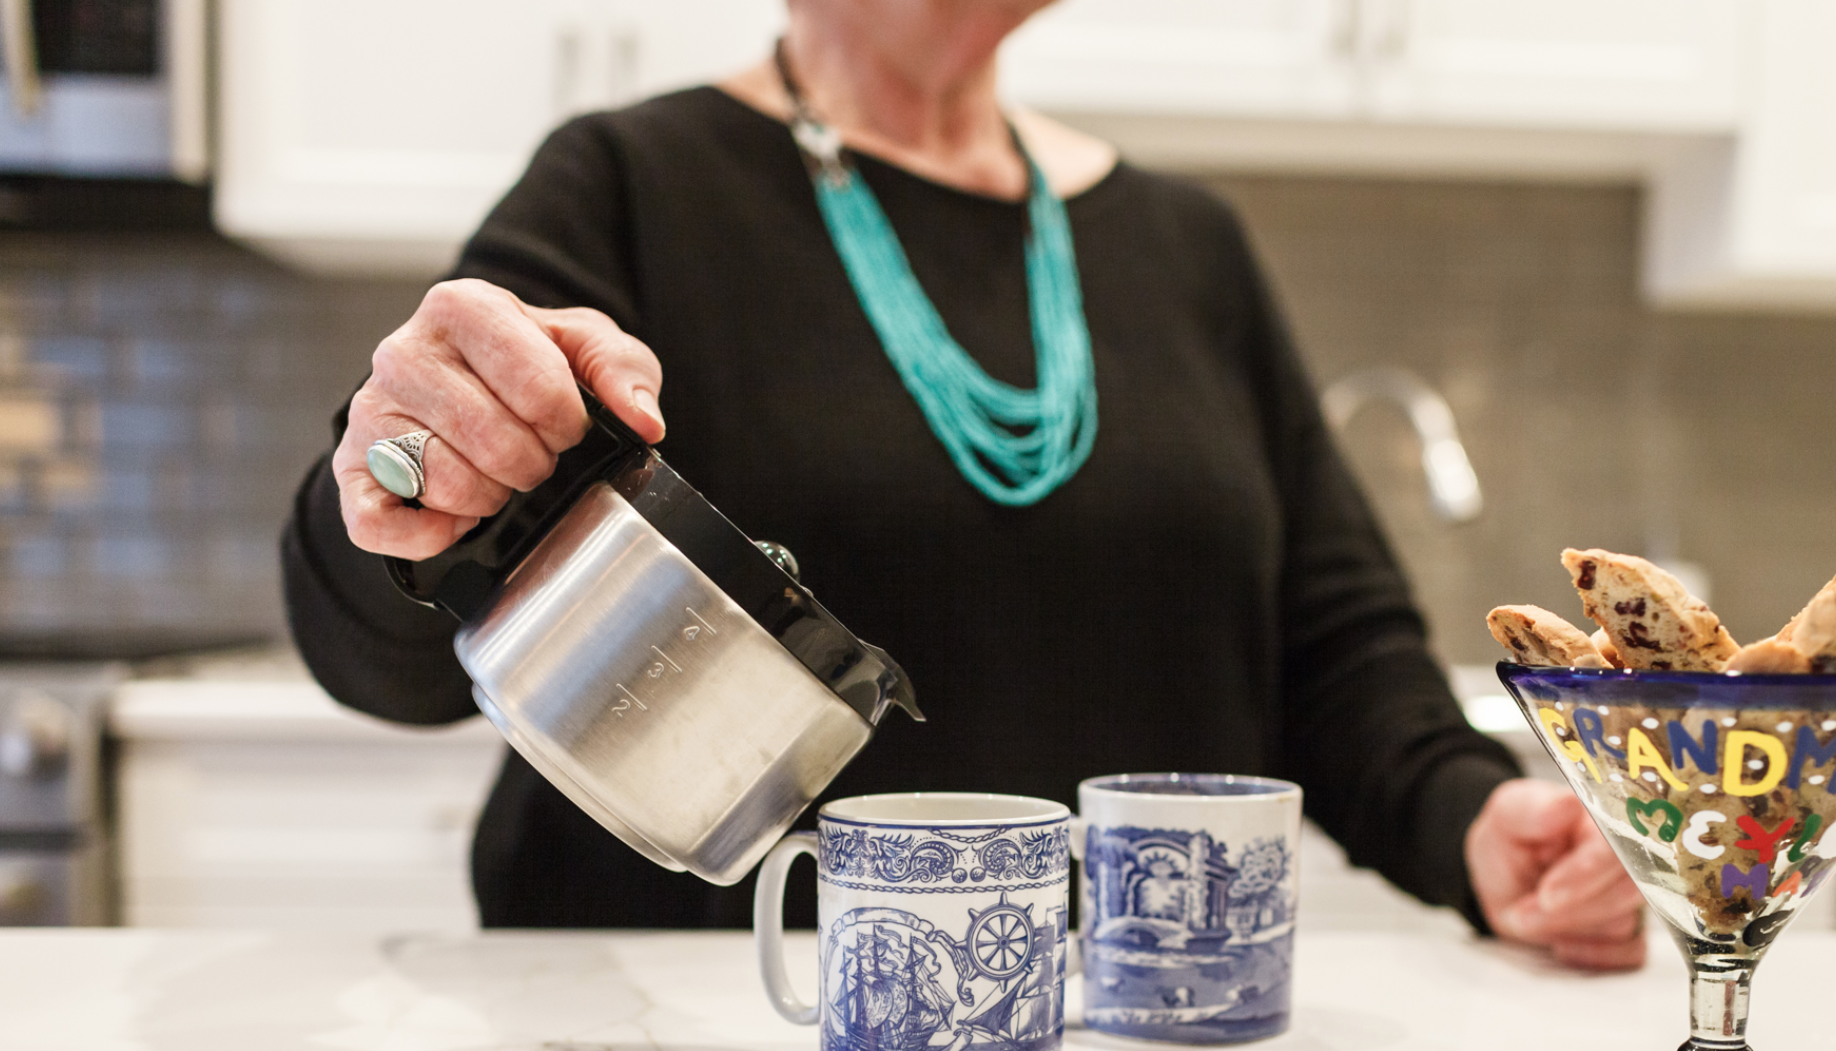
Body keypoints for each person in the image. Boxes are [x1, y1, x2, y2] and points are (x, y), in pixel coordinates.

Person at [281, 0, 1644, 969]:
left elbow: (1332, 649)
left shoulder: (1186, 245)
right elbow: (390, 640)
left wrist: (1471, 820)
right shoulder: (628, 182)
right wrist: (412, 469)